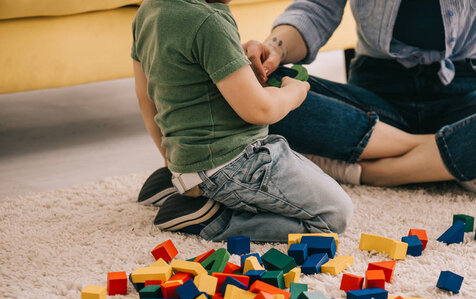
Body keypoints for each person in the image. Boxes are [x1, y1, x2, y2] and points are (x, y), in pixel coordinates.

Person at [243, 0, 476, 199]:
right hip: (379, 92)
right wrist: (273, 49)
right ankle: (463, 152)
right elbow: (317, 9)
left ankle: (380, 170)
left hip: (475, 85)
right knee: (242, 82)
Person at [132, 0, 353, 242]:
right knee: (335, 215)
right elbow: (260, 109)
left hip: (190, 163)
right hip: (238, 163)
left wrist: (171, 160)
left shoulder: (148, 12)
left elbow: (147, 98)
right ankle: (215, 219)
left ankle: (180, 184)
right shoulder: (209, 22)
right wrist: (293, 93)